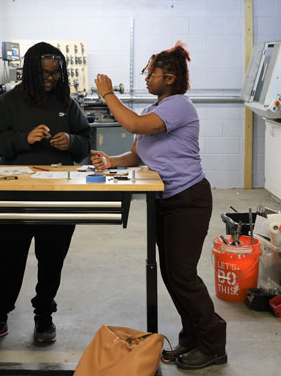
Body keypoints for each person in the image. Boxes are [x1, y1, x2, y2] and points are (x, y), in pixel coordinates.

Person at [91, 42, 227, 370]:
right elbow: (137, 153)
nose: (146, 78)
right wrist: (112, 161)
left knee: (182, 275)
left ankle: (213, 343)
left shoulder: (179, 106)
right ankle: (191, 339)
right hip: (165, 200)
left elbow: (134, 125)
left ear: (168, 77)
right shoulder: (158, 108)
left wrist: (108, 95)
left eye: (150, 73)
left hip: (188, 200)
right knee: (170, 273)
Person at [0, 42, 91, 348]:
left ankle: (44, 317)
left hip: (57, 195)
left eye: (55, 73)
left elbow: (86, 141)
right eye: (44, 74)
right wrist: (25, 138)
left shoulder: (66, 101)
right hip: (15, 194)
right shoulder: (10, 102)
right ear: (30, 72)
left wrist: (72, 143)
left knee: (51, 259)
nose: (51, 79)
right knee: (8, 260)